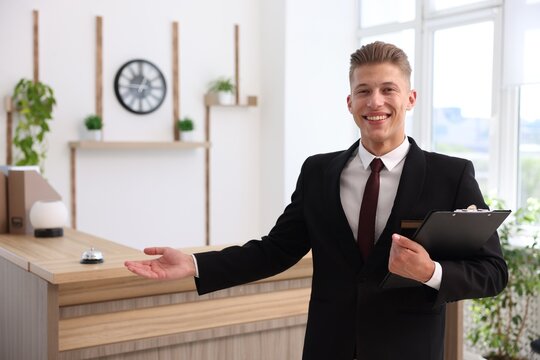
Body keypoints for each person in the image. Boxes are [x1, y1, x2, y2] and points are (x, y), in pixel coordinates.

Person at [124, 41, 507, 360]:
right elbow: (275, 251)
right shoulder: (318, 172)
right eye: (364, 91)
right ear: (349, 102)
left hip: (408, 349)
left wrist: (430, 272)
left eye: (388, 89)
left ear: (409, 98)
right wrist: (193, 263)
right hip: (328, 347)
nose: (375, 102)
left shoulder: (451, 174)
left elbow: (492, 271)